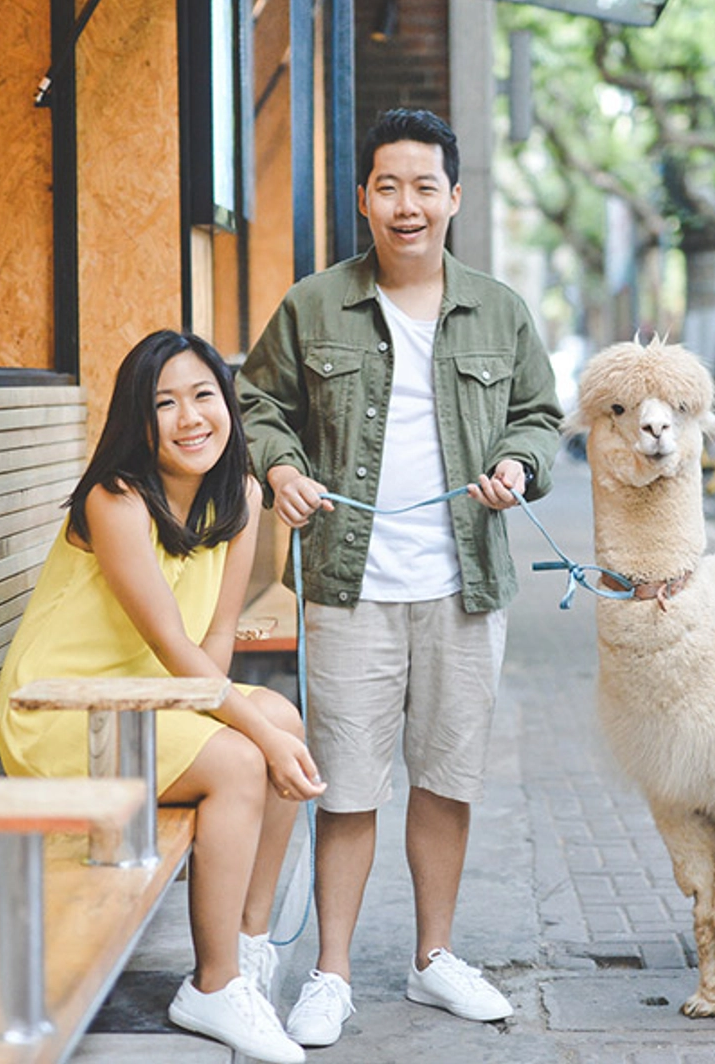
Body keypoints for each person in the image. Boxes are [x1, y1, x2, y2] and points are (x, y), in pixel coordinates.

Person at [237, 109, 563, 1047]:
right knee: (344, 786)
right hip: (349, 585)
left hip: (465, 585)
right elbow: (258, 403)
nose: (407, 205)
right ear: (364, 199)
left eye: (426, 187)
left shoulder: (499, 309)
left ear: (454, 199)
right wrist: (284, 468)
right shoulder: (313, 305)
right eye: (389, 186)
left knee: (448, 779)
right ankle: (331, 973)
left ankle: (432, 960)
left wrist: (519, 466)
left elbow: (539, 416)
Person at [0, 329, 325, 1064]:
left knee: (282, 716)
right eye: (164, 403)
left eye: (204, 396)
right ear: (137, 422)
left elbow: (213, 647)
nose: (190, 418)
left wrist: (265, 729)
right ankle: (212, 984)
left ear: (229, 407)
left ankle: (248, 943)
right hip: (61, 711)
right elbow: (177, 650)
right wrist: (257, 739)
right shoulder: (117, 501)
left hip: (149, 700)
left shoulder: (239, 496)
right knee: (247, 758)